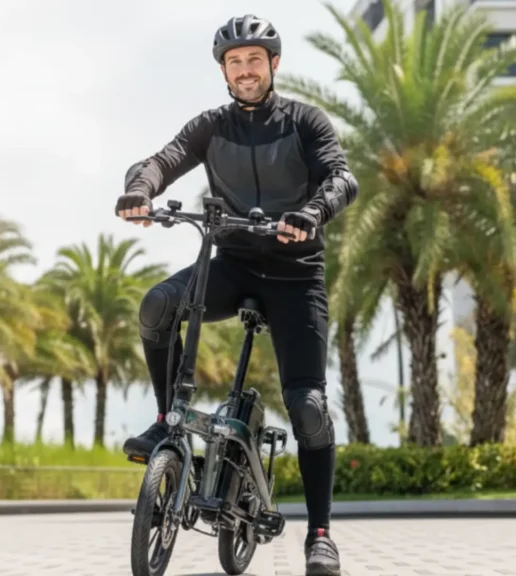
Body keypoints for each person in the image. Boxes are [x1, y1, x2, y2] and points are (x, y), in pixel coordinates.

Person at [114, 14, 357, 576]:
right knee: (157, 305)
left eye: (254, 60)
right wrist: (138, 190)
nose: (244, 71)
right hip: (233, 263)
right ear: (223, 70)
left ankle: (320, 535)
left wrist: (313, 212)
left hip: (296, 275)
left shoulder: (305, 122)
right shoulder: (211, 125)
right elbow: (163, 159)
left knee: (310, 408)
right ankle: (165, 419)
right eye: (234, 62)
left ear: (273, 64)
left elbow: (341, 178)